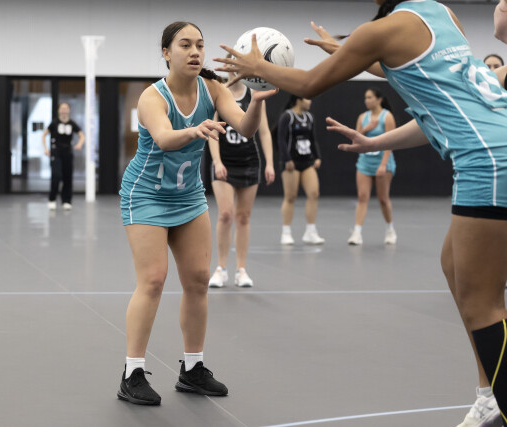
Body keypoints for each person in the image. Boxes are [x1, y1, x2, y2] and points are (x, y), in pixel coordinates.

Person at [216, 1, 507, 426]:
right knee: (453, 265)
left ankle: (499, 401)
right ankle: (488, 394)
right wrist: (375, 140)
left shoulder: (380, 32)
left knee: (482, 304)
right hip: (492, 151)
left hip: (489, 162)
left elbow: (310, 83)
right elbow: (428, 102)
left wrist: (257, 66)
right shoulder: (441, 13)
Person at [117, 21, 275, 405]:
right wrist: (195, 130)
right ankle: (131, 373)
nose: (194, 52)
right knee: (153, 280)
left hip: (187, 196)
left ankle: (192, 369)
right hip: (146, 196)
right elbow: (164, 138)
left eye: (200, 45)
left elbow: (246, 128)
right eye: (185, 45)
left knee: (199, 280)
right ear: (166, 53)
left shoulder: (214, 89)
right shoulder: (152, 97)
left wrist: (255, 101)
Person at [207, 72, 275, 289]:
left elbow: (264, 132)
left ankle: (241, 269)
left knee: (243, 217)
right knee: (226, 214)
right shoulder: (219, 94)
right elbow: (212, 131)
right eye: (231, 68)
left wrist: (270, 163)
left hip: (249, 161)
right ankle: (220, 268)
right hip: (225, 162)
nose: (235, 73)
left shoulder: (254, 95)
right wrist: (217, 161)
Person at [348, 88, 397, 246]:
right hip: (365, 162)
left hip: (383, 163)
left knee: (383, 199)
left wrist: (383, 165)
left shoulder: (387, 117)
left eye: (369, 97)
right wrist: (366, 129)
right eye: (365, 97)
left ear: (379, 99)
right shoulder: (362, 117)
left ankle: (390, 230)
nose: (366, 100)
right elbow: (355, 141)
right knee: (362, 197)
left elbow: (391, 142)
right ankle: (356, 233)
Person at [278, 95, 324, 246]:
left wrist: (317, 156)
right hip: (292, 162)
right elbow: (281, 139)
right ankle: (286, 232)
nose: (310, 101)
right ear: (298, 100)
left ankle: (310, 231)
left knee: (314, 193)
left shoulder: (309, 117)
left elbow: (313, 138)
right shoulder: (288, 116)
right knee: (290, 196)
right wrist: (287, 159)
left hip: (307, 161)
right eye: (307, 99)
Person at [42, 103, 85, 211]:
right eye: (62, 108)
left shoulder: (72, 123)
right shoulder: (54, 123)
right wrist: (46, 149)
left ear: (69, 110)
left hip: (68, 152)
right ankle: (52, 199)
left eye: (66, 108)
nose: (64, 110)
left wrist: (79, 144)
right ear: (59, 110)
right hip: (56, 152)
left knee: (67, 177)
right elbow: (44, 134)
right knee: (56, 175)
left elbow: (81, 135)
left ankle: (66, 201)